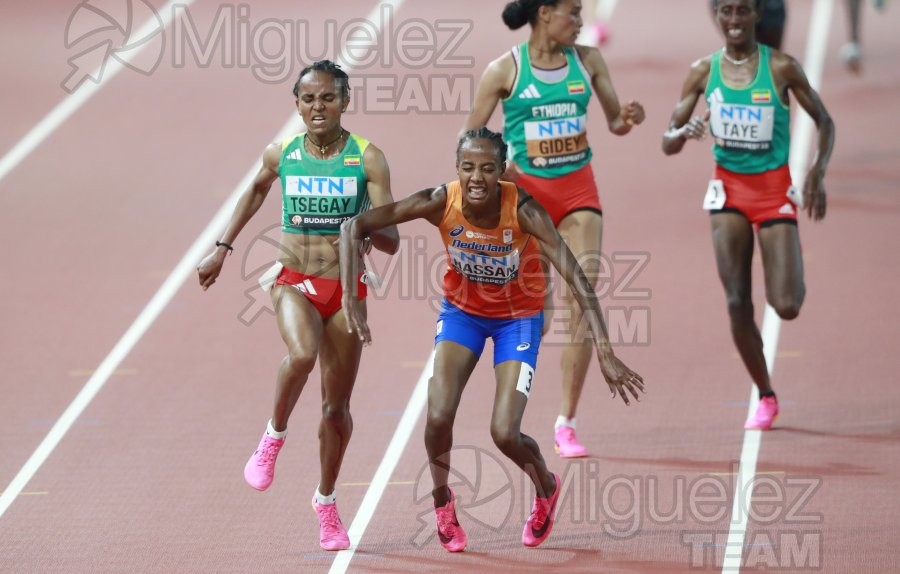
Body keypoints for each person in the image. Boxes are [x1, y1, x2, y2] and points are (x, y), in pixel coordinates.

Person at [339, 128, 644, 551]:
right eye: (467, 167)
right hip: (462, 315)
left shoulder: (524, 210)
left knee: (505, 433)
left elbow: (578, 279)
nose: (476, 177)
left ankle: (546, 488)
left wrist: (607, 353)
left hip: (518, 320)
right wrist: (350, 297)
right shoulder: (437, 201)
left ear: (503, 171)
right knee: (438, 417)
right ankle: (443, 502)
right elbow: (355, 225)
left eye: (486, 168)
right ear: (457, 169)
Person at [196, 59, 399, 550]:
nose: (317, 107)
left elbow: (391, 238)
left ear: (345, 102)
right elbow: (255, 191)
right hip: (294, 281)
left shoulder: (367, 159)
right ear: (297, 104)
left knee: (335, 410)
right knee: (302, 354)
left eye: (328, 97)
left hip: (346, 291)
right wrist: (222, 249)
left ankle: (326, 502)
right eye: (308, 98)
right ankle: (273, 437)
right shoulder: (282, 152)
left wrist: (366, 225)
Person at [464, 0, 645, 458]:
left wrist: (629, 117)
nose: (582, 22)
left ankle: (566, 421)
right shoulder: (503, 70)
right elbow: (471, 146)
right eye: (574, 12)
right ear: (544, 13)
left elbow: (615, 122)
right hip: (527, 204)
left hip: (580, 194)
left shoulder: (588, 61)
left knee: (582, 300)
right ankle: (511, 394)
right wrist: (497, 184)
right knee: (538, 320)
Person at [662, 0, 834, 429]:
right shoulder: (703, 70)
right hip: (729, 191)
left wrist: (815, 173)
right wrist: (684, 132)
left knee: (787, 304)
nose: (734, 21)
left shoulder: (781, 68)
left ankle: (786, 271)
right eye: (727, 12)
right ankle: (766, 393)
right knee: (737, 301)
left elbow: (825, 122)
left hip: (773, 189)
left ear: (758, 14)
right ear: (717, 16)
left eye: (742, 12)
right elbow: (667, 139)